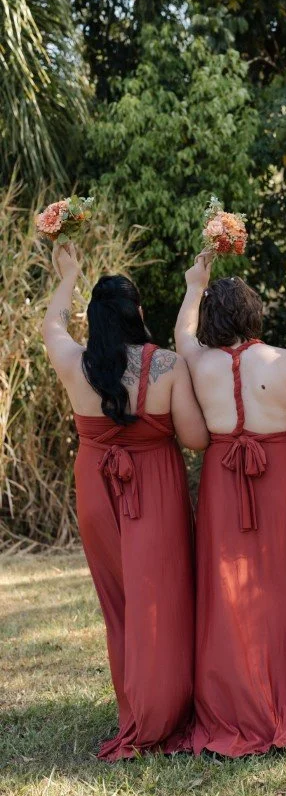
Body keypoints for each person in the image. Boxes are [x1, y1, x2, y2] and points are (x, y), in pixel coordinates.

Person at [42, 243, 209, 760]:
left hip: (96, 491)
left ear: (94, 319)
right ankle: (162, 715)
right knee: (162, 601)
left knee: (120, 607)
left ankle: (133, 711)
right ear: (138, 313)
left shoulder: (74, 365)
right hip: (153, 489)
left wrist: (67, 275)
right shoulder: (166, 366)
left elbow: (51, 327)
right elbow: (195, 439)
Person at [175, 253, 286, 757]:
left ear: (211, 322)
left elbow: (182, 336)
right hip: (280, 480)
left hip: (224, 483)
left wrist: (193, 286)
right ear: (254, 315)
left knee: (230, 592)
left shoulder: (196, 364)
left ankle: (239, 704)